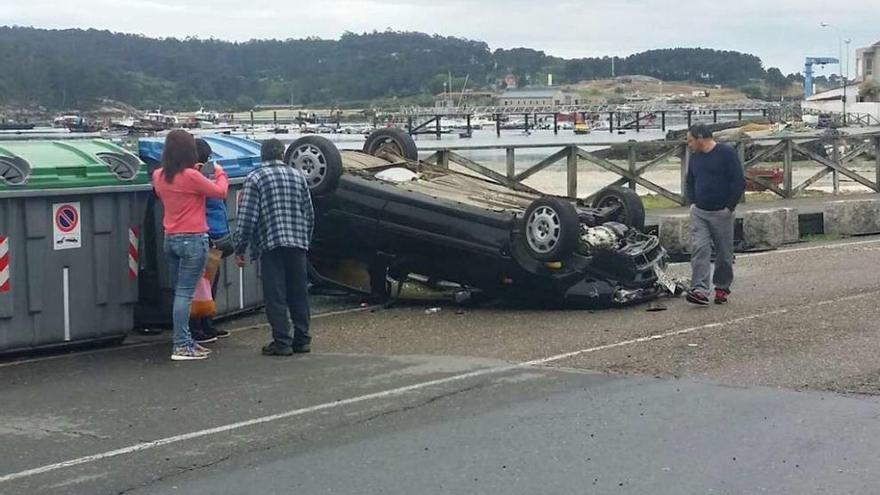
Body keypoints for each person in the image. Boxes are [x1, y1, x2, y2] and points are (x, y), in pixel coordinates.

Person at [234, 139, 315, 356]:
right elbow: (309, 213)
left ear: (263, 155)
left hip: (271, 243)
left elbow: (247, 217)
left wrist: (240, 248)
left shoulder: (256, 177)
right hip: (297, 243)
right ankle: (303, 339)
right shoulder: (297, 175)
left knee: (276, 294)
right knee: (299, 292)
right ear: (283, 154)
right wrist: (306, 240)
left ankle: (282, 342)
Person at [153, 130, 229, 360]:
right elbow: (220, 192)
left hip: (171, 238)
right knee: (186, 295)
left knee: (181, 293)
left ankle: (185, 341)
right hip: (193, 240)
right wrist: (220, 173)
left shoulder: (158, 175)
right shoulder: (192, 176)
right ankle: (182, 344)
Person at [684, 124, 746, 306]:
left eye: (690, 141)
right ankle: (700, 290)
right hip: (700, 212)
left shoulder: (726, 153)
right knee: (700, 249)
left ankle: (721, 288)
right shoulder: (695, 158)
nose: (689, 145)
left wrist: (730, 207)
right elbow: (690, 180)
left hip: (722, 212)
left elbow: (738, 181)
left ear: (700, 138)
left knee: (724, 254)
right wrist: (693, 202)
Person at [188, 138, 232, 343]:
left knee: (209, 284)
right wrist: (220, 174)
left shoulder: (205, 176)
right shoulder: (196, 178)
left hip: (215, 233)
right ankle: (197, 327)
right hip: (206, 234)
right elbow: (220, 193)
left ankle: (206, 324)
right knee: (201, 284)